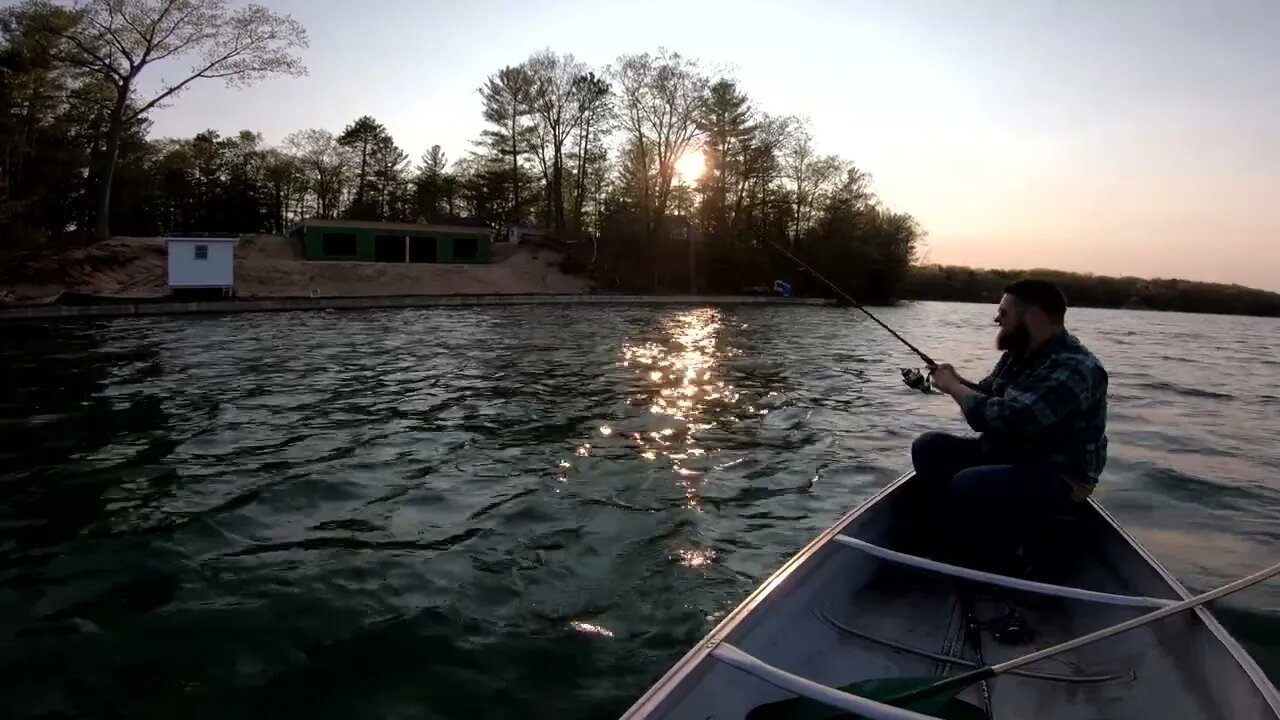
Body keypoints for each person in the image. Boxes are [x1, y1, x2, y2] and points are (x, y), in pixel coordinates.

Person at [910, 279, 1109, 576]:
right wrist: (954, 379)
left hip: (1059, 476)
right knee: (929, 447)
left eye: (1003, 312)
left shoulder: (1075, 368)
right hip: (1014, 454)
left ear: (1033, 317)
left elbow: (1012, 418)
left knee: (971, 483)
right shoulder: (1019, 354)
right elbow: (988, 395)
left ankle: (1001, 561)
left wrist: (953, 388)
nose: (997, 319)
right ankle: (950, 539)